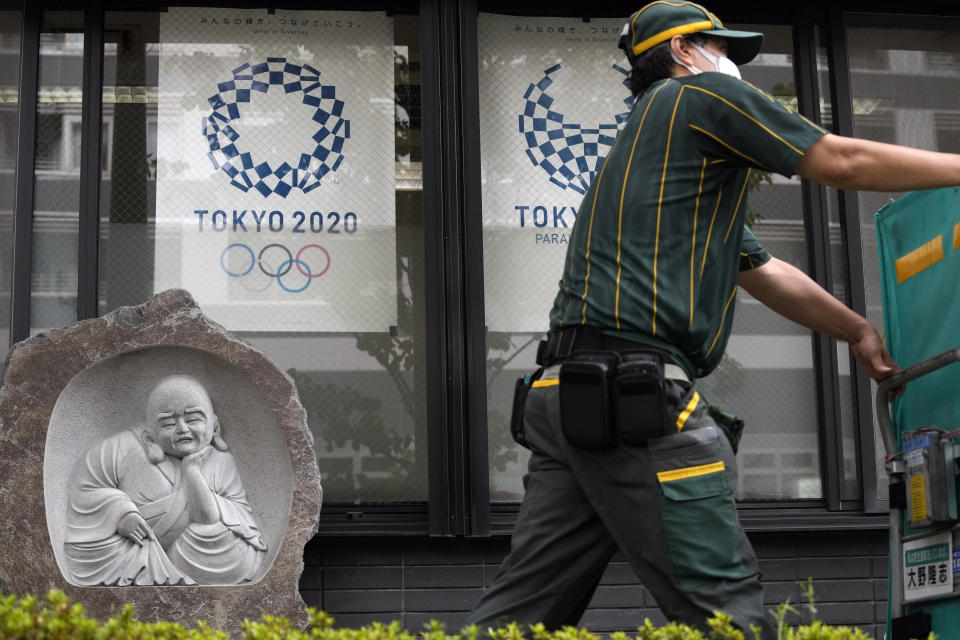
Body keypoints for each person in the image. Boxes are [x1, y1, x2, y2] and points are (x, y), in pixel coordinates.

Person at [466, 1, 960, 637]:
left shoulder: (655, 154)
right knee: (725, 610)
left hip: (567, 398)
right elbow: (842, 162)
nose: (731, 64)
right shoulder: (696, 97)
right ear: (682, 52)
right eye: (719, 47)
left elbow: (762, 270)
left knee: (522, 612)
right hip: (632, 397)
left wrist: (857, 330)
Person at [63, 375, 267, 586]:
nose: (182, 428)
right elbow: (84, 489)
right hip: (133, 550)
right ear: (149, 437)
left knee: (222, 539)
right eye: (168, 423)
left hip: (194, 551)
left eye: (193, 419)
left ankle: (174, 566)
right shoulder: (118, 448)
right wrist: (120, 514)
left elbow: (226, 517)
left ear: (214, 427)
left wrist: (192, 471)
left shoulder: (222, 462)